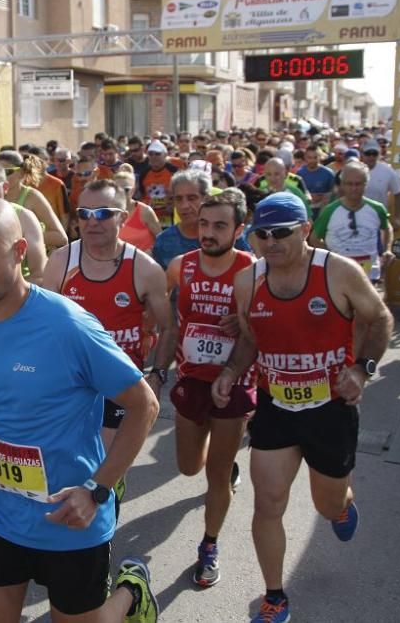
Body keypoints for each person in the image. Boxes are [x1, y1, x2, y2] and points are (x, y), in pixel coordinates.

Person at [0, 198, 160, 622]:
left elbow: (144, 404)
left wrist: (98, 488)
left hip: (71, 518)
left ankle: (131, 590)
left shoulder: (68, 325)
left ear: (18, 253)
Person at [211, 192, 393, 623]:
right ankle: (275, 595)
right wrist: (229, 372)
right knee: (267, 503)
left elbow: (380, 317)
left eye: (281, 233)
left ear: (306, 230)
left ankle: (342, 506)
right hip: (276, 406)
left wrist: (362, 370)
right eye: (262, 234)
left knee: (326, 504)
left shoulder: (338, 272)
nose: (270, 242)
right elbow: (251, 339)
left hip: (330, 409)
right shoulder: (247, 281)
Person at [42, 179, 173, 523]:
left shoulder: (144, 269)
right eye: (84, 213)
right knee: (65, 463)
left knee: (100, 469)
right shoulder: (60, 261)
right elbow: (41, 325)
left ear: (123, 217)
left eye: (103, 213)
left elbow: (169, 326)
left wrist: (157, 375)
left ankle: (102, 525)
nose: (92, 221)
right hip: (68, 384)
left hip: (119, 388)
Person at [161, 189, 256, 589]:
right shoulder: (179, 266)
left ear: (239, 229)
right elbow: (167, 321)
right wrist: (156, 368)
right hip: (191, 380)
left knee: (215, 476)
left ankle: (209, 546)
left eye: (220, 225)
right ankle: (225, 459)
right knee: (187, 467)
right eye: (204, 224)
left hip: (233, 382)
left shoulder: (252, 269)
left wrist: (243, 321)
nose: (209, 233)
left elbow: (265, 327)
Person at [311, 162, 394, 284]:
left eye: (358, 184)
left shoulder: (377, 209)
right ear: (342, 185)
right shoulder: (330, 210)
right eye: (349, 184)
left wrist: (387, 249)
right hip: (337, 274)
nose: (354, 188)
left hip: (369, 275)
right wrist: (332, 257)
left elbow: (387, 228)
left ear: (366, 184)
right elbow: (314, 239)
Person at [152, 170, 251, 270]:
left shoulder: (228, 235)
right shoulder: (164, 241)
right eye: (178, 199)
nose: (184, 206)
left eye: (192, 198)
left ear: (207, 198)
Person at [0, 161, 47, 282]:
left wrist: (9, 297)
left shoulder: (24, 218)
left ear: (5, 187)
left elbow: (39, 273)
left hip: (18, 293)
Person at [0, 151, 68, 251]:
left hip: (31, 264)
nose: (2, 176)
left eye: (8, 172)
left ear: (21, 173)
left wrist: (21, 236)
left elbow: (61, 237)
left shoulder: (33, 197)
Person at [359, 140, 400, 230]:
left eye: (374, 153)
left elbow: (398, 194)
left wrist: (397, 218)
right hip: (356, 217)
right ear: (362, 154)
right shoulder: (353, 170)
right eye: (368, 153)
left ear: (379, 154)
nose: (371, 157)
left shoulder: (387, 171)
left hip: (378, 219)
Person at [113, 170, 162, 253]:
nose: (121, 193)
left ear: (133, 190)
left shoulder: (145, 211)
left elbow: (162, 240)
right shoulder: (108, 213)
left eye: (126, 190)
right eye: (117, 189)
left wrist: (151, 252)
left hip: (145, 263)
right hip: (119, 264)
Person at [136, 140, 180, 226]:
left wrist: (174, 206)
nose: (154, 157)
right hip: (150, 219)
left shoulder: (174, 171)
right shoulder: (144, 173)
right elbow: (140, 195)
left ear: (165, 155)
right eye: (151, 154)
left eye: (157, 154)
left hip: (171, 218)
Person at [296, 145, 336, 219]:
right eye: (309, 157)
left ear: (320, 157)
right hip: (305, 211)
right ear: (305, 157)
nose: (312, 160)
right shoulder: (299, 173)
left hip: (323, 211)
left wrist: (324, 197)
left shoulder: (329, 174)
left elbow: (333, 193)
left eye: (315, 157)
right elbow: (296, 193)